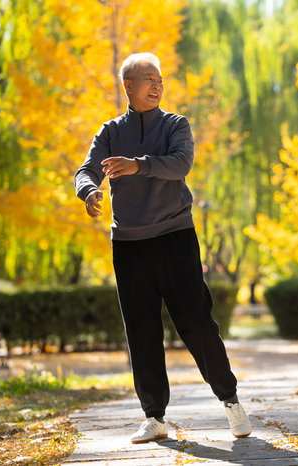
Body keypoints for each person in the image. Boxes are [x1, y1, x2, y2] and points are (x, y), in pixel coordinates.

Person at [74, 52, 251, 444]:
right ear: (128, 87)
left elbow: (181, 163)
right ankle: (154, 416)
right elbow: (85, 169)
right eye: (148, 79)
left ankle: (230, 400)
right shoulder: (109, 131)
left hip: (175, 237)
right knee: (141, 331)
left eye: (159, 79)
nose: (157, 85)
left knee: (196, 322)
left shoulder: (175, 124)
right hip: (129, 244)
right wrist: (88, 191)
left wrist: (138, 165)